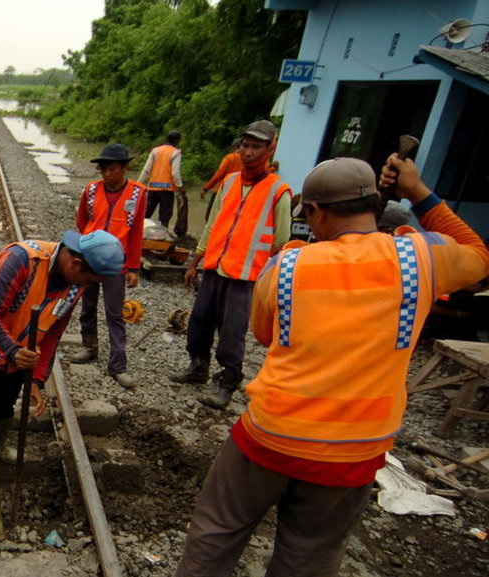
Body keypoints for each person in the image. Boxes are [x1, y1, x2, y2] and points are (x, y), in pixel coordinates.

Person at [174, 155, 489, 577]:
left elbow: (266, 336)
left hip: (273, 434)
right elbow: (478, 254)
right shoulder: (420, 259)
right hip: (356, 450)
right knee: (310, 553)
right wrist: (418, 191)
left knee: (218, 530)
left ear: (318, 212)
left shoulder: (286, 266)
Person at [0, 229, 125, 542]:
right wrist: (12, 351)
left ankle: (1, 443)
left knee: (6, 406)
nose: (88, 288)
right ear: (76, 264)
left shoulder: (74, 285)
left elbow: (52, 334)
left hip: (18, 357)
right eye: (90, 281)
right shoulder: (21, 260)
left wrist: (36, 380)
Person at [171, 120, 292, 409]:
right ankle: (198, 367)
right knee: (200, 321)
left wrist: (270, 282)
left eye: (256, 147)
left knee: (232, 331)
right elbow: (213, 225)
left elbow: (282, 242)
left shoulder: (279, 191)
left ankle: (227, 381)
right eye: (245, 146)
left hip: (246, 275)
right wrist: (195, 260)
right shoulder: (229, 182)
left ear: (270, 148)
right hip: (215, 266)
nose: (248, 152)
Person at [69, 143, 147, 389]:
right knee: (87, 306)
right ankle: (89, 347)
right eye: (103, 169)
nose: (106, 174)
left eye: (112, 169)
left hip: (117, 264)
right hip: (91, 260)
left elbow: (136, 232)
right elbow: (82, 221)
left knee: (114, 313)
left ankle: (118, 365)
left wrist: (133, 268)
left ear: (125, 168)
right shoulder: (91, 190)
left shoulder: (138, 193)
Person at [137, 130, 184, 230]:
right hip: (167, 190)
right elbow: (175, 174)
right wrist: (180, 186)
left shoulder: (155, 151)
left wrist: (138, 184)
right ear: (177, 141)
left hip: (153, 188)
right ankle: (162, 237)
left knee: (145, 214)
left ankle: (140, 233)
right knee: (164, 218)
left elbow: (146, 170)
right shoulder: (176, 153)